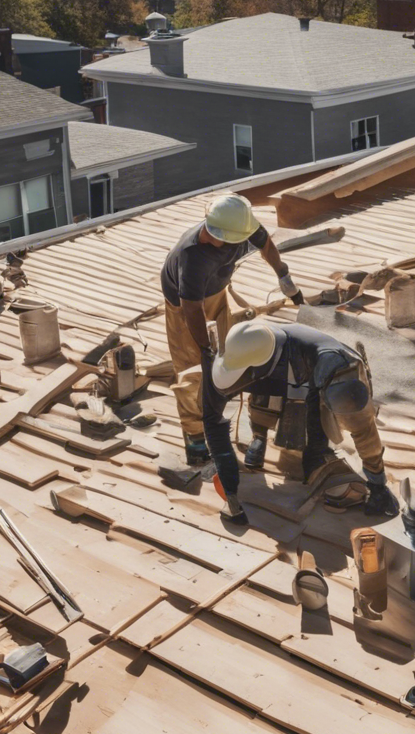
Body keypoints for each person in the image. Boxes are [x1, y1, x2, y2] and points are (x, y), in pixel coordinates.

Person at [203, 320, 399, 524]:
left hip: (324, 377)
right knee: (269, 397)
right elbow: (212, 420)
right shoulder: (245, 344)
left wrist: (378, 483)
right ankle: (259, 437)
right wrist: (228, 483)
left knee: (334, 414)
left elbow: (362, 428)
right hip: (290, 373)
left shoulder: (336, 367)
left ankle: (317, 456)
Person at [161, 195, 303, 465]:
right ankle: (195, 438)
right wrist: (205, 350)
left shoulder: (242, 226)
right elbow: (192, 310)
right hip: (184, 308)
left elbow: (266, 244)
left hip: (216, 292)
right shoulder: (192, 256)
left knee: (230, 357)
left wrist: (283, 274)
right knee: (193, 373)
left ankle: (217, 411)